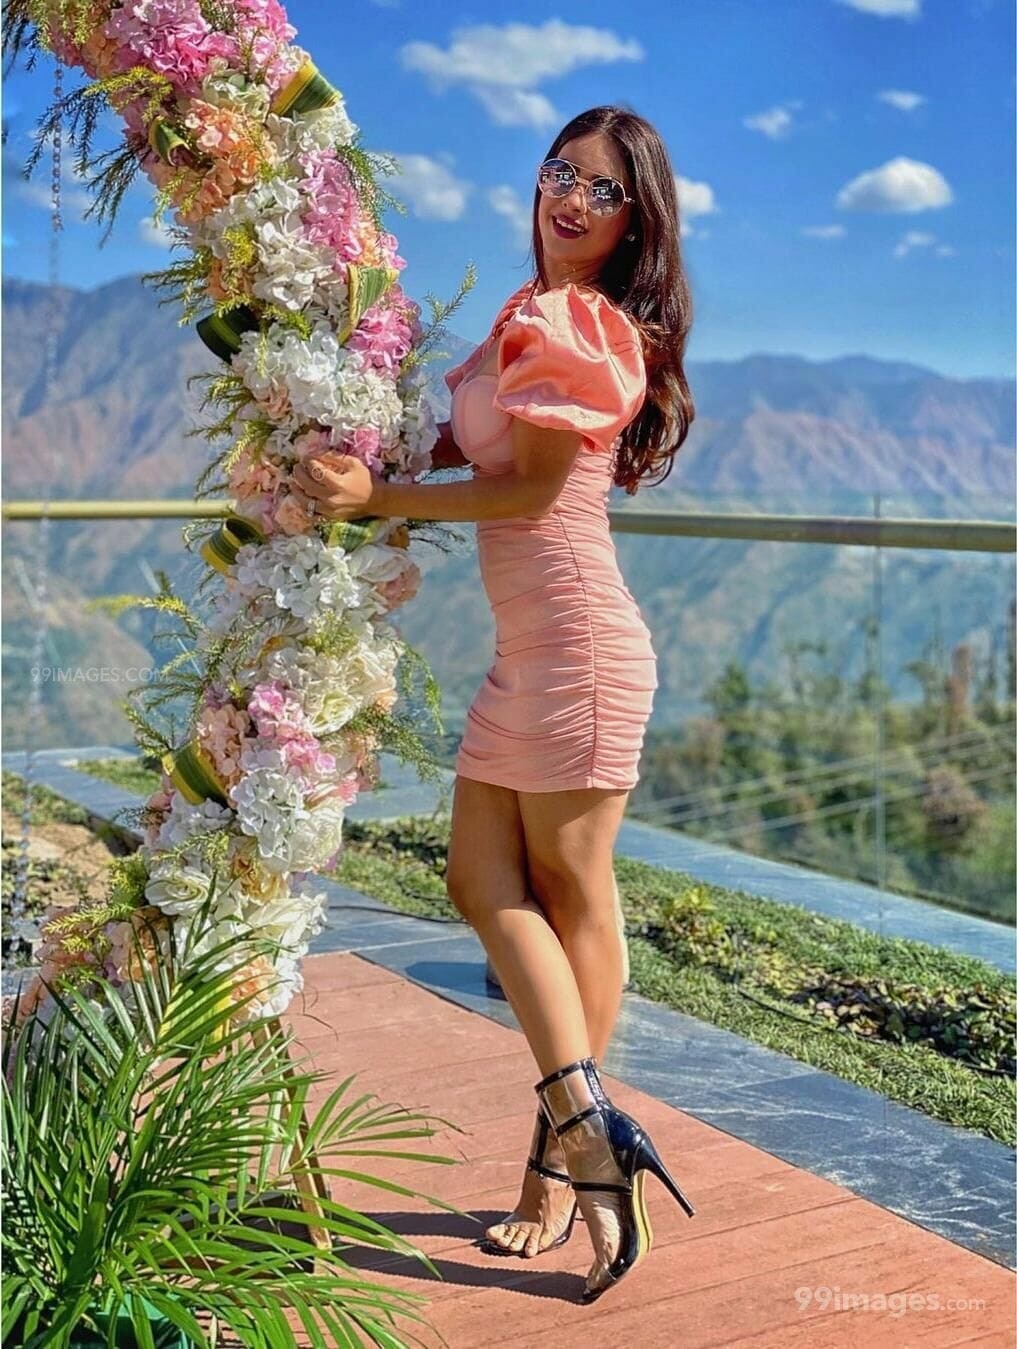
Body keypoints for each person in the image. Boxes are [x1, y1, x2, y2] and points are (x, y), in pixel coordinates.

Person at [293, 104, 696, 1304]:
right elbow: (475, 456)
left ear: (636, 223)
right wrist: (372, 458)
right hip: (535, 650)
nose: (569, 197)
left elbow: (526, 494)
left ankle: (558, 1169)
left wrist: (377, 504)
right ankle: (590, 1134)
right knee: (481, 883)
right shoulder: (526, 313)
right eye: (560, 171)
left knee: (574, 896)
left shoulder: (586, 323)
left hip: (582, 648)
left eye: (603, 189)